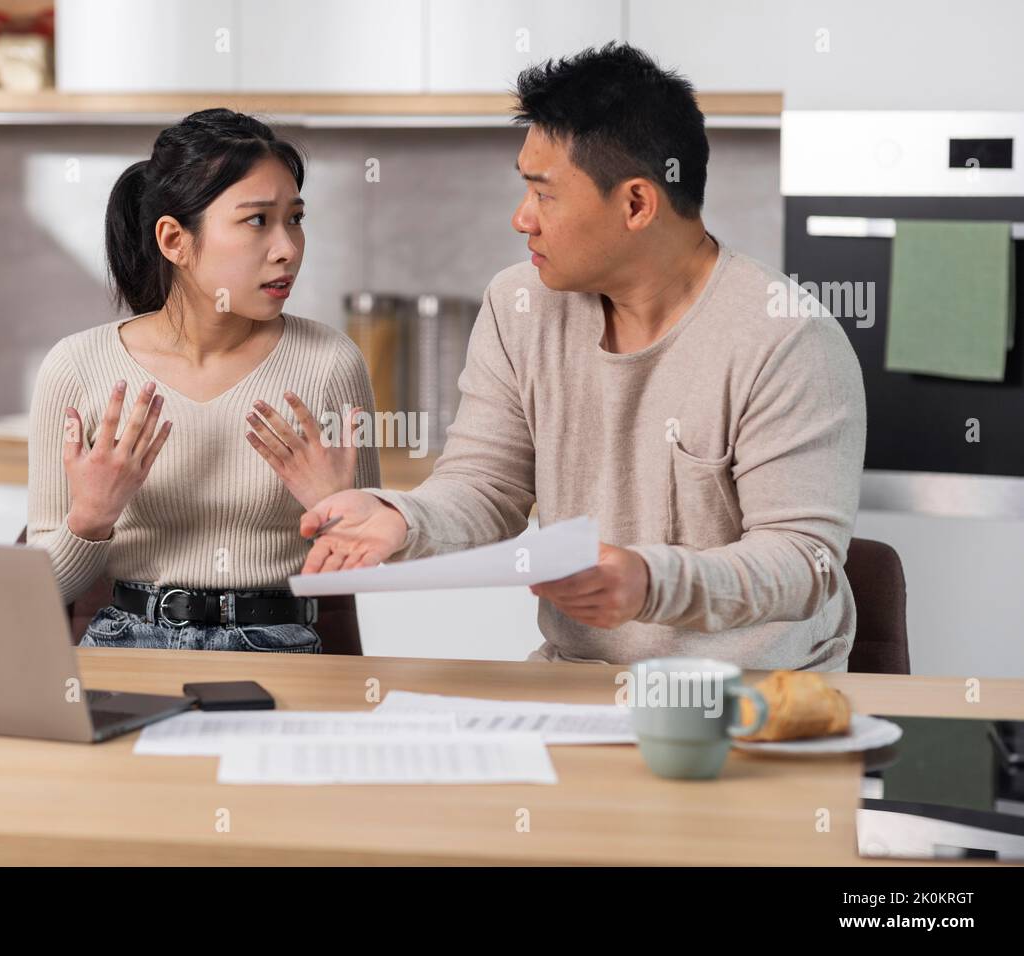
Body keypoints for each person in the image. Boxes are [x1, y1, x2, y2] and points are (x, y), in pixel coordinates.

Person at [297, 44, 867, 671]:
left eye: (544, 195)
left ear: (636, 205)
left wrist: (650, 581)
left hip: (752, 698)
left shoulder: (785, 337)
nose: (522, 219)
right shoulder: (519, 305)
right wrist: (401, 516)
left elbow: (802, 559)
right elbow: (486, 486)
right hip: (577, 684)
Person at [27, 109, 379, 653]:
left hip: (279, 643)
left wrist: (337, 512)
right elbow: (38, 589)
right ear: (174, 240)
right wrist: (91, 519)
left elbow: (364, 575)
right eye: (258, 220)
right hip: (125, 644)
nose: (287, 247)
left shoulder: (330, 365)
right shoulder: (76, 367)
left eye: (296, 218)